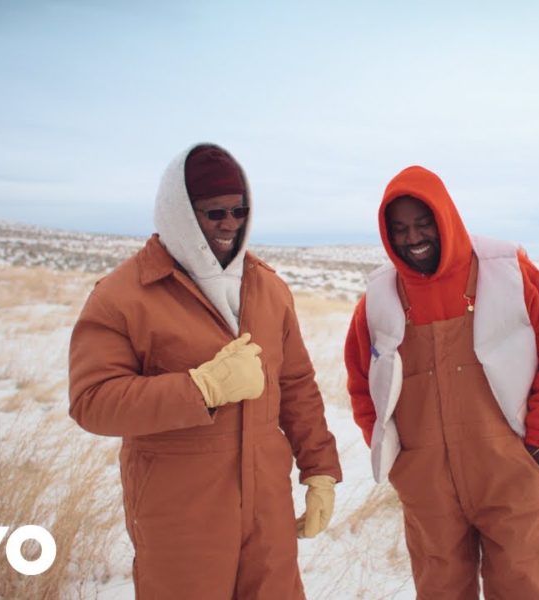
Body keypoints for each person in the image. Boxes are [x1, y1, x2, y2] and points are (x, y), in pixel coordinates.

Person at [69, 143, 342, 599]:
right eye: (214, 213)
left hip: (267, 509)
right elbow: (92, 402)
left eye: (240, 210)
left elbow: (296, 387)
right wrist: (202, 389)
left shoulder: (269, 289)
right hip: (179, 513)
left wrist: (320, 470)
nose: (230, 224)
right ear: (180, 212)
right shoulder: (123, 295)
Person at [344, 165, 539, 599]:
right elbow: (362, 386)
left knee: (525, 586)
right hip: (426, 483)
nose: (412, 237)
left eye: (422, 223)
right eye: (399, 229)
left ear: (445, 217)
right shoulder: (378, 300)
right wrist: (398, 460)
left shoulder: (509, 273)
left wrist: (535, 443)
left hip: (506, 471)